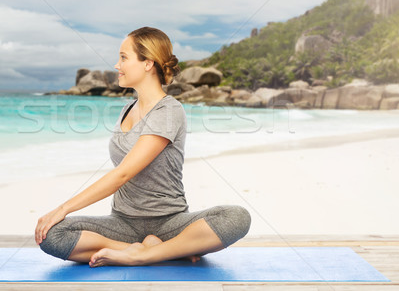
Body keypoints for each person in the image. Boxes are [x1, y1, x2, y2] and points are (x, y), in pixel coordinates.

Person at [35, 27, 251, 267]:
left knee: (237, 218)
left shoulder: (168, 110)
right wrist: (59, 216)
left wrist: (63, 207)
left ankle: (144, 255)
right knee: (52, 235)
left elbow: (124, 173)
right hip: (122, 224)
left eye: (124, 57)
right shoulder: (127, 108)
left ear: (148, 63)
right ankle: (155, 251)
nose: (117, 65)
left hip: (171, 223)